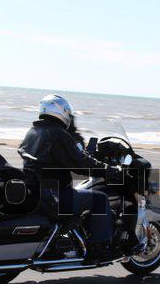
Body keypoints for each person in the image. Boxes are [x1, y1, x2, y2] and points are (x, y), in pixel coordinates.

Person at [18, 94, 119, 262]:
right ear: (62, 111)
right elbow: (81, 163)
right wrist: (109, 170)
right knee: (100, 199)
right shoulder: (58, 134)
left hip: (35, 192)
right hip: (53, 196)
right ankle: (99, 249)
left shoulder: (34, 131)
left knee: (80, 196)